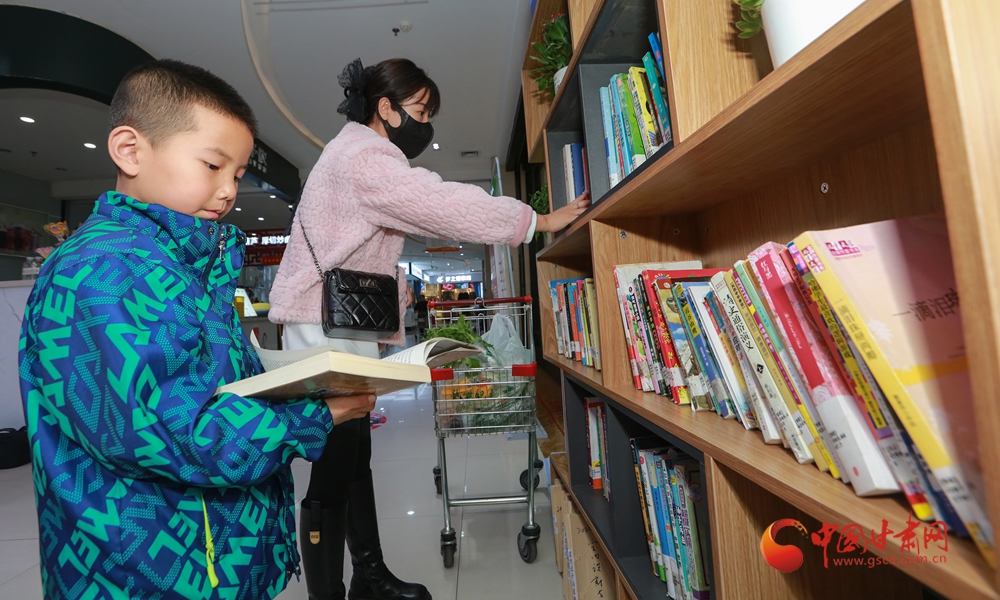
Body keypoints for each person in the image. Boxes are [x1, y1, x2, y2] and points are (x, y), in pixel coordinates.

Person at [18, 59, 375, 600]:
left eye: (237, 174)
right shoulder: (107, 272)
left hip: (207, 558)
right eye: (212, 165)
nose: (228, 190)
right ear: (130, 150)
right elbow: (181, 435)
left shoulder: (172, 264)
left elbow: (198, 389)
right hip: (150, 575)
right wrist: (316, 415)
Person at [267, 57, 589, 600]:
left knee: (354, 456)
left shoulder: (352, 151)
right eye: (419, 111)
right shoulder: (364, 157)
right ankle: (333, 593)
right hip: (323, 328)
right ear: (385, 109)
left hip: (333, 323)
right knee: (334, 465)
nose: (426, 123)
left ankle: (370, 577)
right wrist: (534, 221)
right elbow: (438, 201)